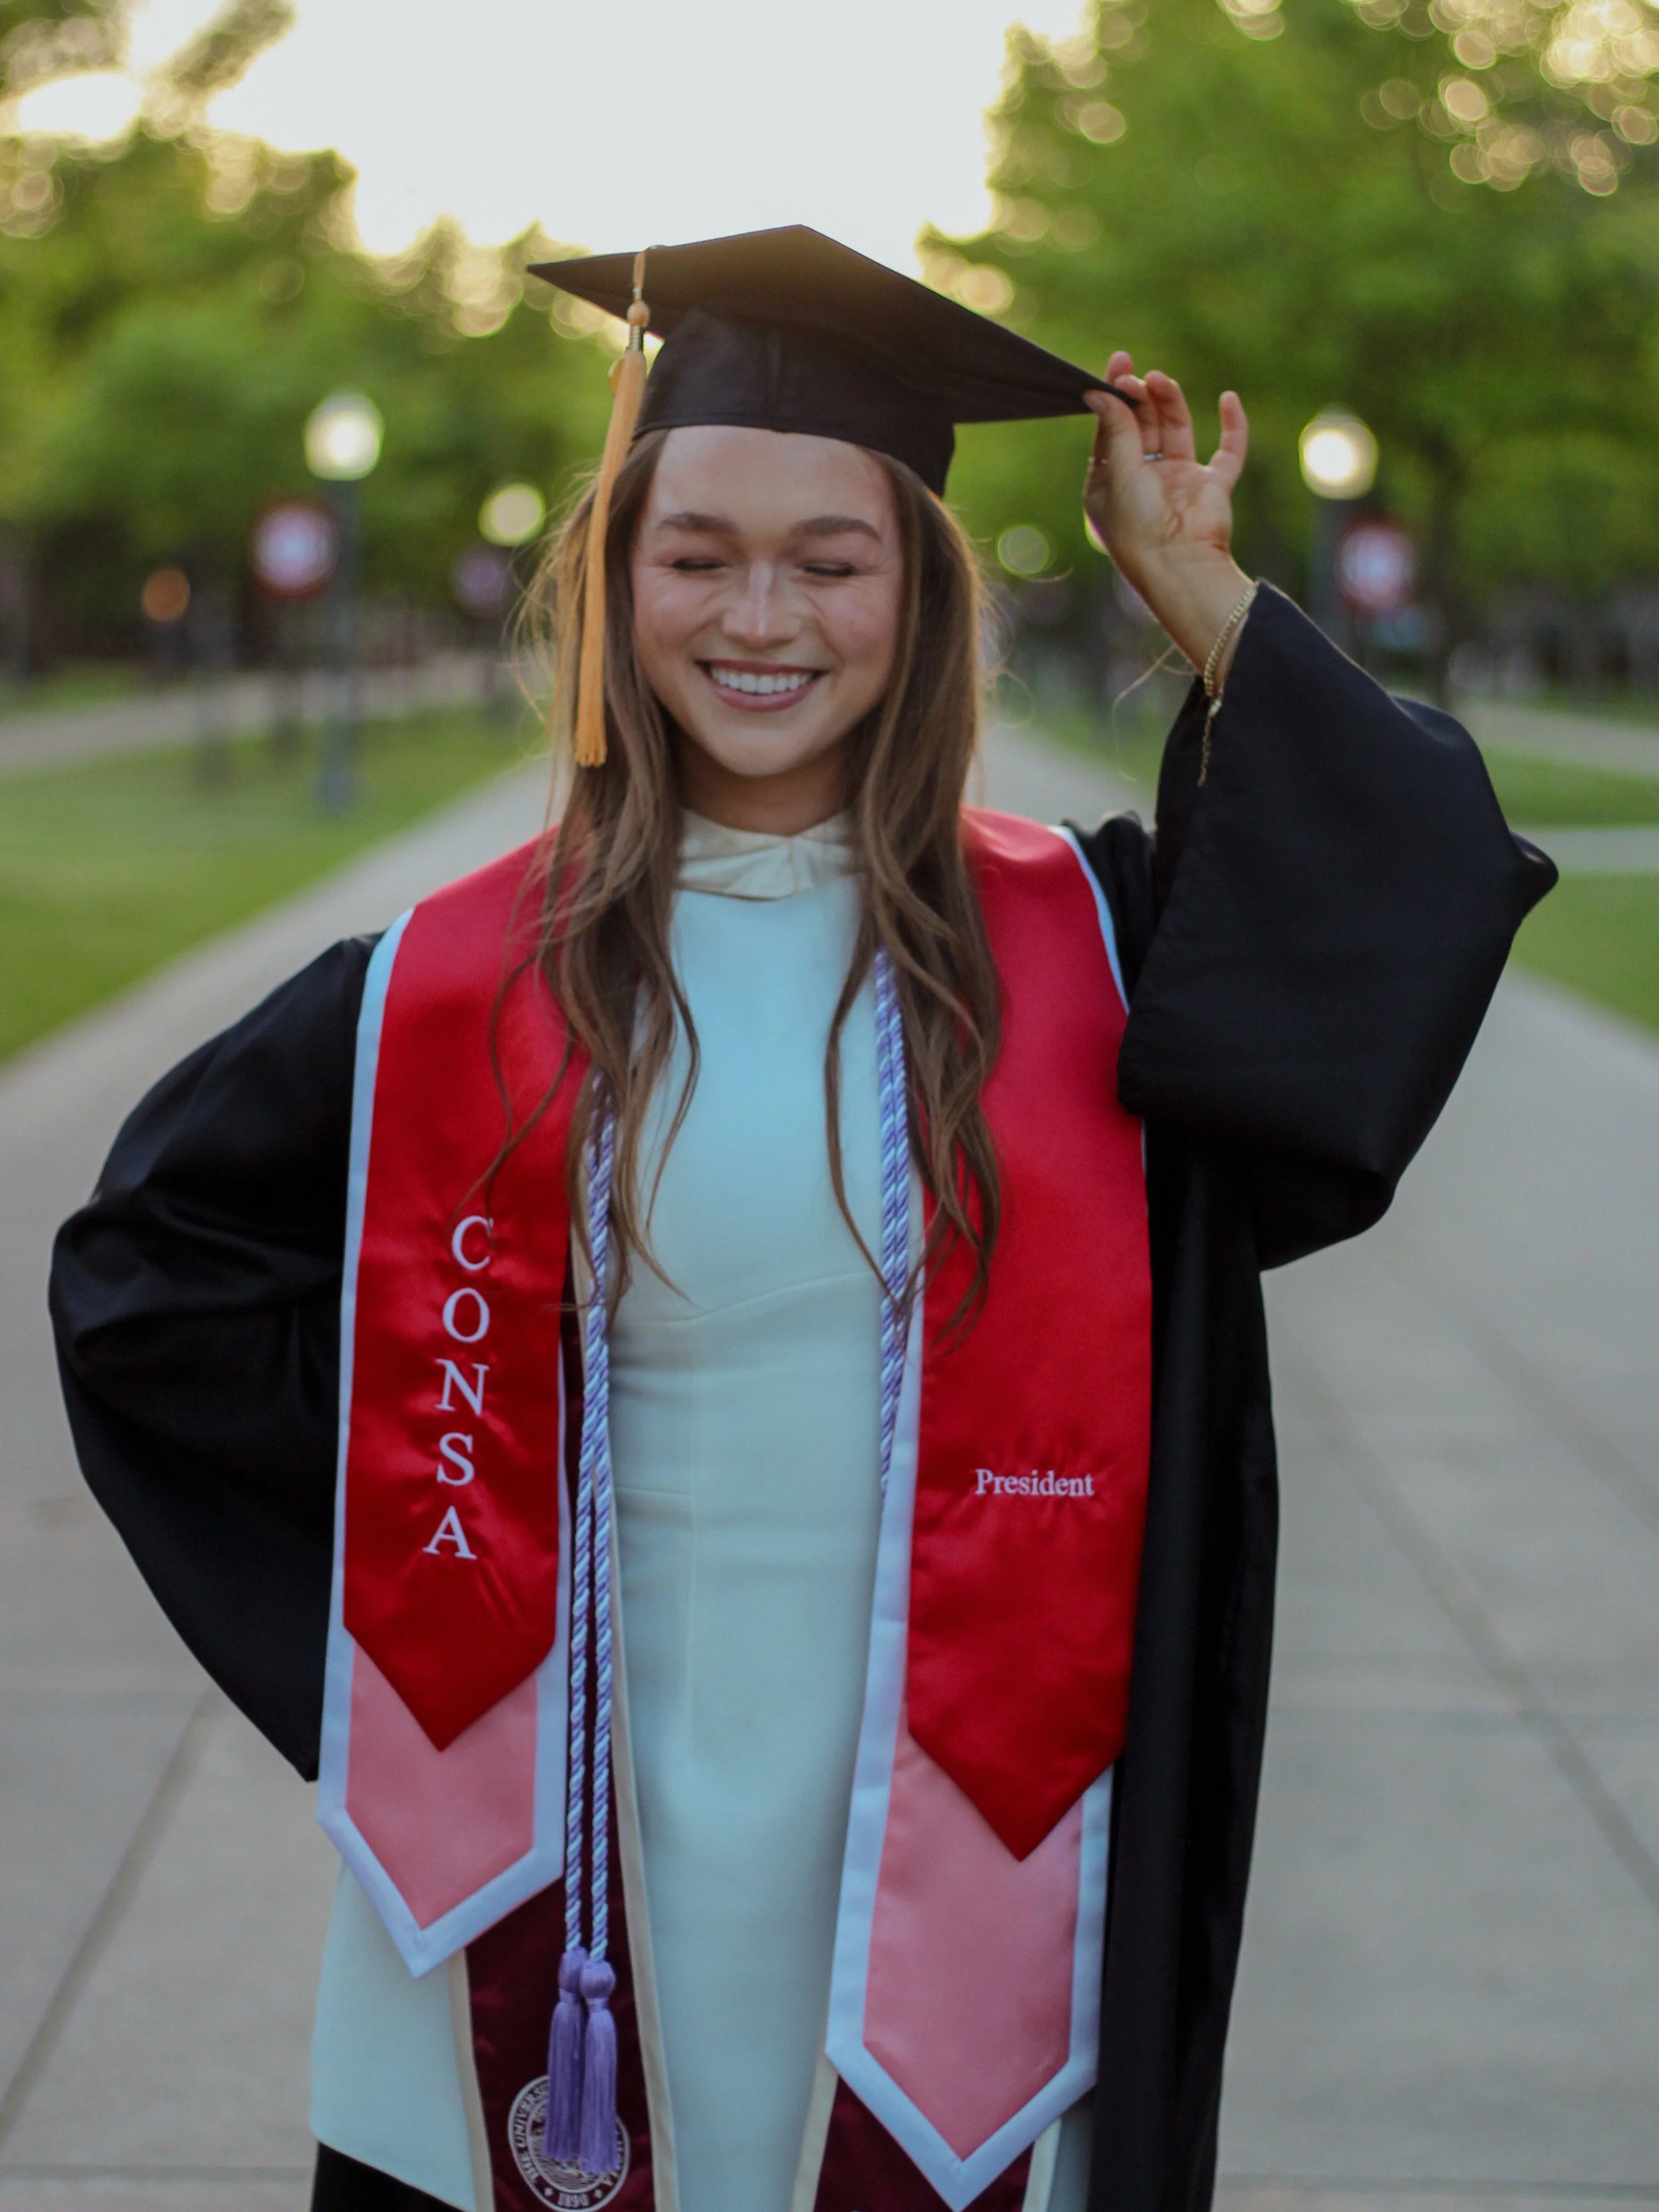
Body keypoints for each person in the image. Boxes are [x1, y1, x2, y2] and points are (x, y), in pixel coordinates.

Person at [49, 226, 1553, 2212]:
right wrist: (429, 1606)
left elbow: (1415, 886)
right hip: (563, 1852)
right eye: (696, 553)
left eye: (830, 559)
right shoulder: (446, 987)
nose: (759, 616)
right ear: (614, 579)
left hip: (966, 1862)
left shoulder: (1093, 962)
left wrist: (1191, 589)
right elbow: (149, 1285)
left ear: (917, 595)